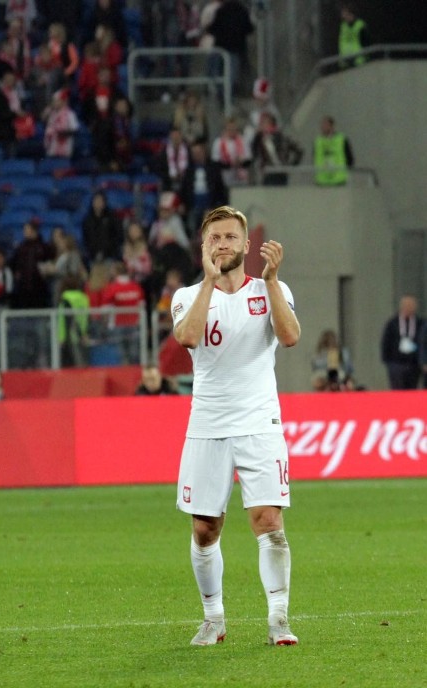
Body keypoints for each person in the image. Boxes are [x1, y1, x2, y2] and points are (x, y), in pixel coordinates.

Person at [171, 205, 301, 647]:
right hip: (207, 423)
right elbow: (187, 338)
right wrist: (209, 281)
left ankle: (279, 618)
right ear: (203, 247)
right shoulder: (187, 296)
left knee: (269, 520)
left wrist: (269, 282)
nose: (223, 243)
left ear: (247, 244)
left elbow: (290, 337)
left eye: (230, 237)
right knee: (205, 528)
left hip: (260, 421)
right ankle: (214, 618)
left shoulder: (272, 288)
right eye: (215, 238)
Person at [380, 295, 423, 390]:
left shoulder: (420, 323)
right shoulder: (392, 323)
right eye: (406, 305)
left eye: (411, 305)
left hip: (414, 364)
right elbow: (386, 342)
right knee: (397, 389)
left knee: (412, 390)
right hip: (396, 363)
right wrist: (387, 361)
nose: (409, 307)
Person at [314, 115, 354, 186]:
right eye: (322, 125)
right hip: (322, 180)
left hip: (339, 179)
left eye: (325, 124)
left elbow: (349, 157)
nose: (322, 127)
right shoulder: (318, 141)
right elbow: (315, 157)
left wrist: (346, 170)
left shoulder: (341, 139)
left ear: (331, 126)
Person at [339, 3, 370, 68]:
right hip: (346, 61)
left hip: (358, 61)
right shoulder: (343, 26)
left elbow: (366, 43)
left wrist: (366, 57)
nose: (342, 16)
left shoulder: (360, 25)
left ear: (350, 13)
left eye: (344, 13)